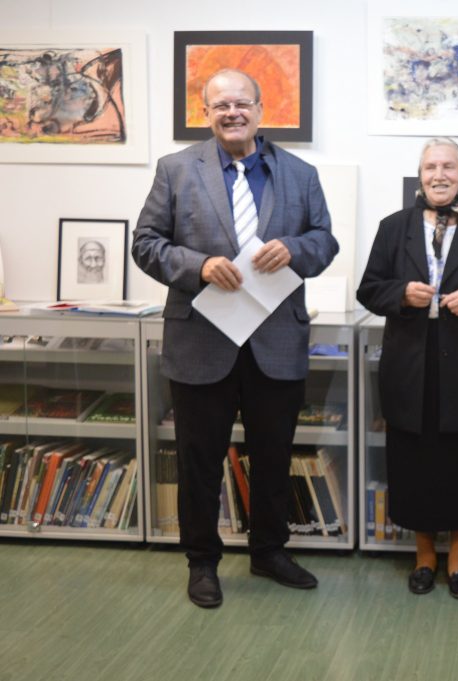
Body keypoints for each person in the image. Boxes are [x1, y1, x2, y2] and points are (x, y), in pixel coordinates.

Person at [132, 69, 338, 608]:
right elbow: (146, 243)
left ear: (260, 109)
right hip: (201, 343)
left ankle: (269, 552)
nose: (232, 113)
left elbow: (325, 241)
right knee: (199, 462)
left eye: (241, 103)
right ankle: (202, 562)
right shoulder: (176, 170)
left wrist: (295, 249)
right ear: (206, 113)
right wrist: (199, 266)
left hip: (276, 343)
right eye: (220, 105)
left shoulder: (301, 174)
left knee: (273, 457)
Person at [356, 138, 458, 599]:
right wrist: (399, 294)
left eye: (448, 166)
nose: (439, 175)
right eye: (431, 166)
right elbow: (368, 290)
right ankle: (424, 555)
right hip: (410, 366)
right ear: (420, 175)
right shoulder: (394, 227)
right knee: (414, 462)